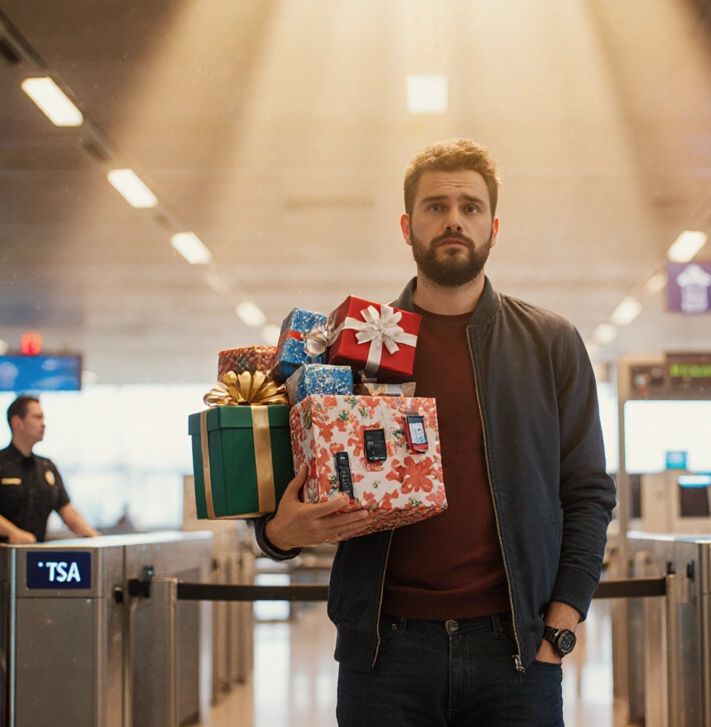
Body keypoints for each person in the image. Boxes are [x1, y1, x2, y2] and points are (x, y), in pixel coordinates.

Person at [256, 139, 616, 726]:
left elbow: (588, 491)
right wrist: (277, 534)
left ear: (494, 227)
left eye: (470, 207)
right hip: (384, 654)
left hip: (516, 653)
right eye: (435, 206)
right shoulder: (346, 347)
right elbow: (279, 485)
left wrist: (566, 617)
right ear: (407, 225)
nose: (454, 219)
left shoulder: (551, 343)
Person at [0, 395, 100, 691]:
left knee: (32, 657)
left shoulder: (47, 467)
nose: (43, 423)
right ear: (17, 422)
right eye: (37, 417)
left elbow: (67, 511)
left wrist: (92, 537)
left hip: (32, 575)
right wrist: (13, 532)